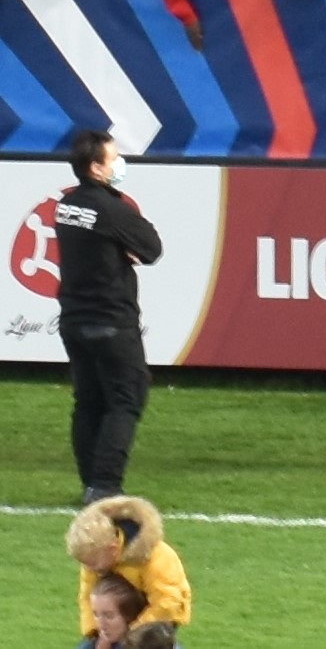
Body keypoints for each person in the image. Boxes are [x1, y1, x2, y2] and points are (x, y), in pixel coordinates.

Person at [54, 133, 164, 505]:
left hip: (73, 318)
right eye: (113, 158)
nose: (120, 164)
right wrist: (125, 248)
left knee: (89, 402)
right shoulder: (111, 209)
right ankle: (104, 485)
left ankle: (90, 483)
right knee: (126, 399)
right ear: (96, 167)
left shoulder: (66, 205)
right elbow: (151, 247)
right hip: (112, 320)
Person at [66, 495, 190, 637]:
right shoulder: (93, 557)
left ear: (112, 549)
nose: (89, 569)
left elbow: (167, 603)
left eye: (92, 564)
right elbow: (87, 597)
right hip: (115, 617)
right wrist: (95, 631)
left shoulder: (154, 557)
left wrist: (133, 633)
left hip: (158, 618)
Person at [78, 573, 146, 649]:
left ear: (129, 616)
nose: (101, 624)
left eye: (109, 616)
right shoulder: (91, 643)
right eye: (96, 614)